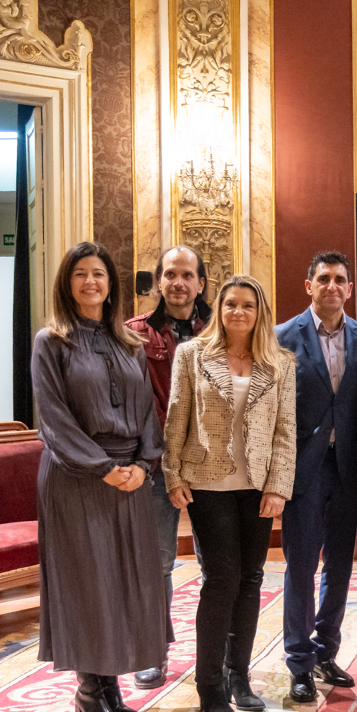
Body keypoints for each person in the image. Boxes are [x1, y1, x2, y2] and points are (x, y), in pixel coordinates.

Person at [31, 241, 168, 712]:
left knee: (123, 582)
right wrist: (99, 466)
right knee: (89, 583)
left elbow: (151, 412)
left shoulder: (128, 342)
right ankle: (90, 692)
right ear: (67, 283)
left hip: (128, 477)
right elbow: (53, 419)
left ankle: (110, 687)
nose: (91, 282)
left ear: (111, 284)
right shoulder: (51, 341)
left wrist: (145, 465)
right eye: (80, 274)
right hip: (76, 478)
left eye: (99, 274)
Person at [163, 274, 297, 712]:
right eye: (231, 304)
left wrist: (279, 485)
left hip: (257, 485)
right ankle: (210, 684)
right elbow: (177, 415)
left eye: (248, 305)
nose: (239, 312)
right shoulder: (192, 355)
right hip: (207, 481)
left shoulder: (280, 362)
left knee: (252, 578)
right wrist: (172, 473)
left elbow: (285, 429)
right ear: (218, 309)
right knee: (222, 578)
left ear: (261, 313)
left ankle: (239, 675)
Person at [276, 251, 357, 703]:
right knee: (301, 566)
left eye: (340, 279)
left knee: (339, 567)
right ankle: (298, 661)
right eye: (324, 278)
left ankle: (326, 651)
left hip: (348, 470)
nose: (332, 286)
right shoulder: (281, 337)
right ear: (309, 285)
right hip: (303, 468)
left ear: (350, 288)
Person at [125, 245, 211, 689]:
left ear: (201, 282)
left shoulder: (222, 329)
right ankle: (151, 653)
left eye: (187, 275)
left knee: (216, 565)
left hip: (214, 468)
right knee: (155, 563)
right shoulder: (134, 334)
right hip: (157, 467)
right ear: (159, 280)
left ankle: (217, 659)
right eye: (170, 274)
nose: (178, 282)